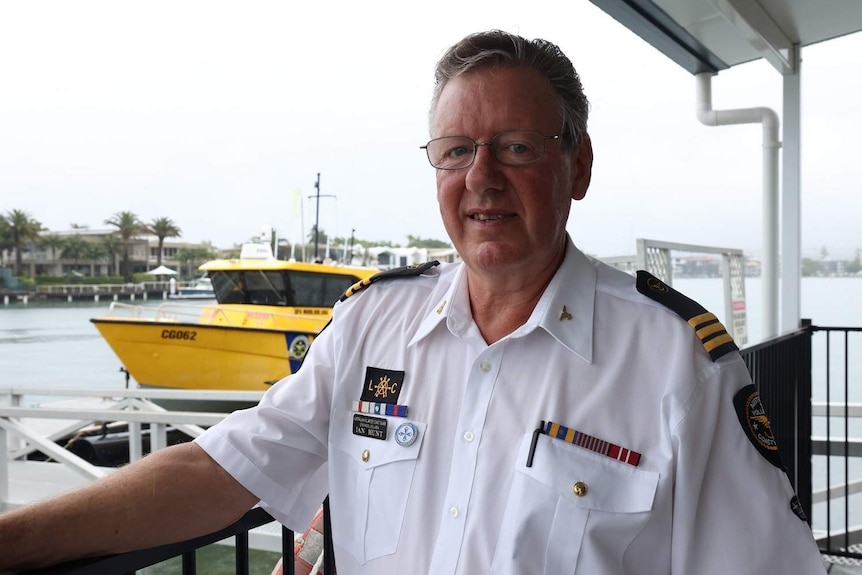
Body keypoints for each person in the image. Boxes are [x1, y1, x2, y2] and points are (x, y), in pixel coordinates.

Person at [0, 30, 826, 574]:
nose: (481, 179)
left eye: (515, 147)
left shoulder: (675, 361)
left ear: (577, 167)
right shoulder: (371, 326)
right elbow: (218, 471)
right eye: (456, 150)